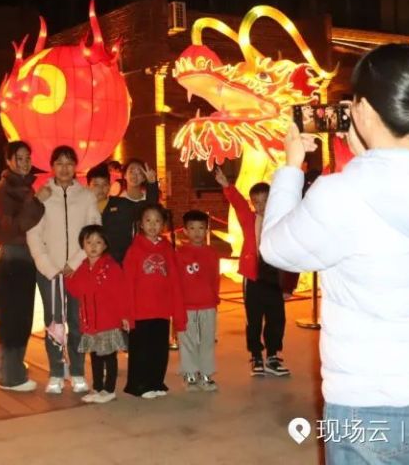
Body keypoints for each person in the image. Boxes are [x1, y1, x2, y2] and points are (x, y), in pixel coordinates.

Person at [261, 43, 409, 463]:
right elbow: (401, 182)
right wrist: (372, 152)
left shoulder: (342, 194)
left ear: (361, 109)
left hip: (375, 406)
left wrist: (292, 165)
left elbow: (275, 248)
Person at [27, 145, 102, 394]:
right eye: (59, 163)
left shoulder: (87, 196)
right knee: (53, 322)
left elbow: (94, 232)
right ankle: (57, 372)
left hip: (78, 270)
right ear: (52, 167)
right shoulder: (42, 195)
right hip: (50, 272)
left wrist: (77, 261)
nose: (64, 168)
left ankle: (78, 371)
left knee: (77, 322)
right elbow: (33, 234)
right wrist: (49, 267)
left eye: (69, 163)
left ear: (76, 167)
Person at [215, 170, 290, 377]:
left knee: (277, 318)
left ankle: (273, 355)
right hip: (254, 277)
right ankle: (256, 354)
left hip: (275, 277)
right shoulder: (249, 219)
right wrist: (226, 185)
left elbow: (289, 252)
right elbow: (238, 203)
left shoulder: (281, 221)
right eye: (256, 201)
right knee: (254, 318)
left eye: (265, 201)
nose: (260, 205)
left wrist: (289, 286)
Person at [0, 141, 48, 391]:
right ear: (9, 161)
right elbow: (11, 228)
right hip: (14, 257)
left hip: (23, 257)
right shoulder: (5, 189)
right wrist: (37, 203)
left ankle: (0, 366)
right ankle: (11, 378)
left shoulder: (22, 187)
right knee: (16, 318)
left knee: (12, 315)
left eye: (27, 158)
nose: (24, 162)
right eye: (19, 158)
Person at [122, 203, 186, 399]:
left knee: (159, 349)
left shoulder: (167, 248)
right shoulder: (135, 249)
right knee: (141, 350)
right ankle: (138, 385)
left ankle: (156, 381)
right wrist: (127, 313)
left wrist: (177, 311)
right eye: (148, 220)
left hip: (161, 309)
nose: (152, 225)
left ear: (163, 225)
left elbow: (175, 279)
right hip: (141, 310)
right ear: (141, 224)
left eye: (157, 221)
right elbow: (127, 283)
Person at [66, 225, 129, 404]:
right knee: (94, 356)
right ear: (83, 245)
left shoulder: (111, 267)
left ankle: (109, 389)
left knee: (108, 356)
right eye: (89, 242)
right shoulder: (83, 267)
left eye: (98, 242)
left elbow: (121, 292)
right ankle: (98, 387)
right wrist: (67, 276)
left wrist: (124, 315)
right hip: (90, 322)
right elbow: (76, 290)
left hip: (108, 320)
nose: (93, 246)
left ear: (105, 245)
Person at [175, 210, 220, 391]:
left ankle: (206, 373)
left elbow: (215, 278)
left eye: (201, 228)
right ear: (185, 231)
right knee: (187, 340)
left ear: (206, 230)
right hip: (186, 306)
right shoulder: (179, 254)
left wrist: (215, 299)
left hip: (208, 304)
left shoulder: (212, 253)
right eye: (192, 228)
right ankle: (190, 373)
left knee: (207, 340)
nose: (197, 232)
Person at [91, 159, 160, 265]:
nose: (100, 189)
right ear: (88, 186)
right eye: (96, 185)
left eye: (104, 184)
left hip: (120, 263)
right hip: (93, 263)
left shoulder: (122, 204)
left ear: (109, 186)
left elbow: (149, 208)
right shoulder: (81, 209)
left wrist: (152, 184)